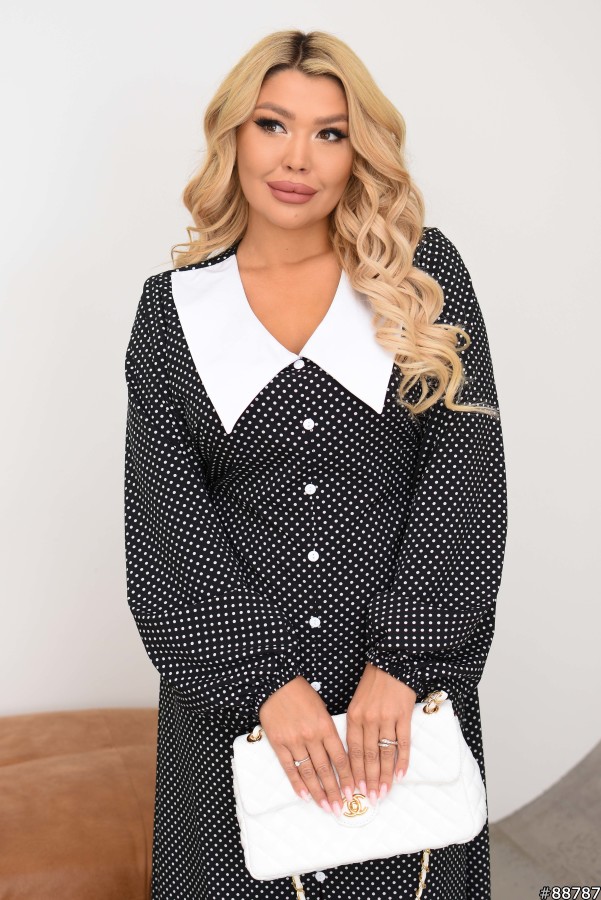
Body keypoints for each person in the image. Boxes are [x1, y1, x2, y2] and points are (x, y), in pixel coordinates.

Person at [123, 28, 508, 900]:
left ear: (357, 152)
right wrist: (267, 687)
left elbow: (465, 482)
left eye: (330, 133)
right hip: (235, 716)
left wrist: (403, 664)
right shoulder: (172, 313)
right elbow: (165, 526)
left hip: (399, 713)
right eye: (272, 124)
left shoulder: (420, 279)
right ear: (232, 134)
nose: (297, 158)